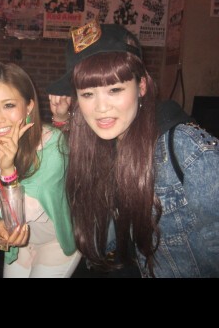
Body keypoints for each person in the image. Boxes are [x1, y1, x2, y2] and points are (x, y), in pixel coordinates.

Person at [47, 19, 219, 278]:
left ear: (141, 86)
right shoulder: (99, 145)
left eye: (115, 89)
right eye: (88, 93)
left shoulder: (184, 147)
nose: (101, 108)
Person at [0, 61, 81, 278]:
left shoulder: (52, 145)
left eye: (8, 105)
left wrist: (7, 169)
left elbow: (17, 221)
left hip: (55, 241)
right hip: (20, 246)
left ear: (29, 106)